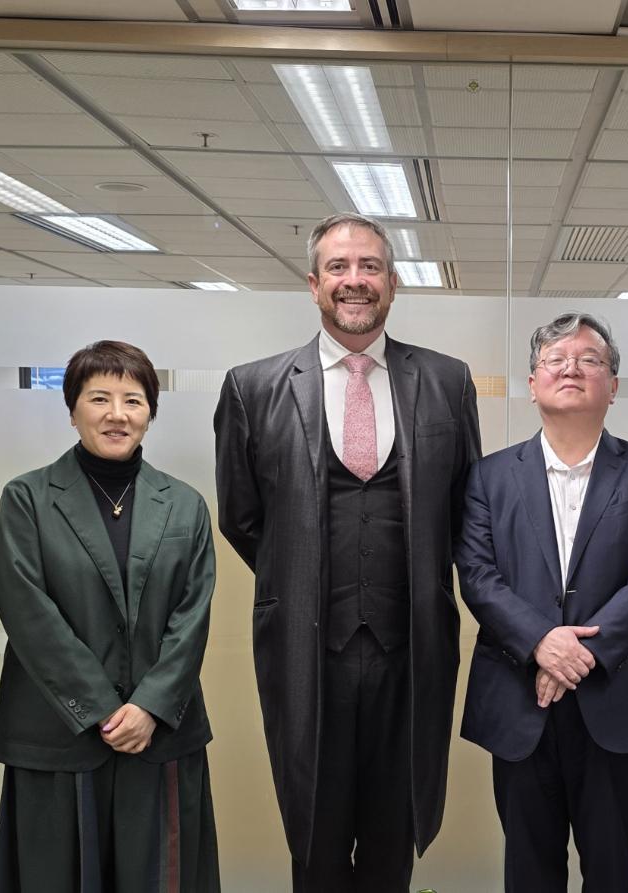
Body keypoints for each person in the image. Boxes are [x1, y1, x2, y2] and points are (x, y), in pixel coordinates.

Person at [214, 211, 482, 891]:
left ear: (392, 284)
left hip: (410, 648)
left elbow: (465, 509)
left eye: (369, 267)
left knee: (394, 843)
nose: (354, 280)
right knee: (315, 839)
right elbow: (243, 518)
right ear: (313, 284)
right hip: (308, 654)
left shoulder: (446, 382)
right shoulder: (254, 386)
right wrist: (302, 580)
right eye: (339, 267)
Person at [457, 313, 628, 892]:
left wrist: (576, 655)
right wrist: (541, 642)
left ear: (613, 385)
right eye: (555, 360)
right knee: (528, 871)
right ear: (532, 383)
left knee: (611, 869)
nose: (571, 369)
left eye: (589, 360)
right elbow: (478, 575)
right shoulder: (489, 476)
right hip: (517, 699)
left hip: (614, 697)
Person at [0, 340, 218, 892]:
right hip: (57, 732)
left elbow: (193, 615)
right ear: (72, 410)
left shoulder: (184, 503)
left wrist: (149, 707)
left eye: (133, 400)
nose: (117, 414)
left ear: (150, 414)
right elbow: (28, 614)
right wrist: (98, 709)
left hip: (159, 733)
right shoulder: (27, 499)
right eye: (99, 398)